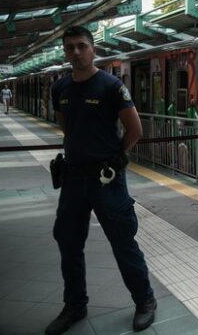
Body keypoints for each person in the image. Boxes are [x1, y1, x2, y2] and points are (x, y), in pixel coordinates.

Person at [47, 26, 156, 335]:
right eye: (70, 47)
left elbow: (135, 130)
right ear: (65, 53)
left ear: (93, 49)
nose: (76, 52)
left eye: (82, 46)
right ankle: (75, 306)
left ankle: (145, 300)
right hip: (73, 179)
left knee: (122, 242)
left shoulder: (111, 85)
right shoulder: (60, 88)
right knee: (68, 242)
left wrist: (117, 157)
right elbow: (66, 128)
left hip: (106, 179)